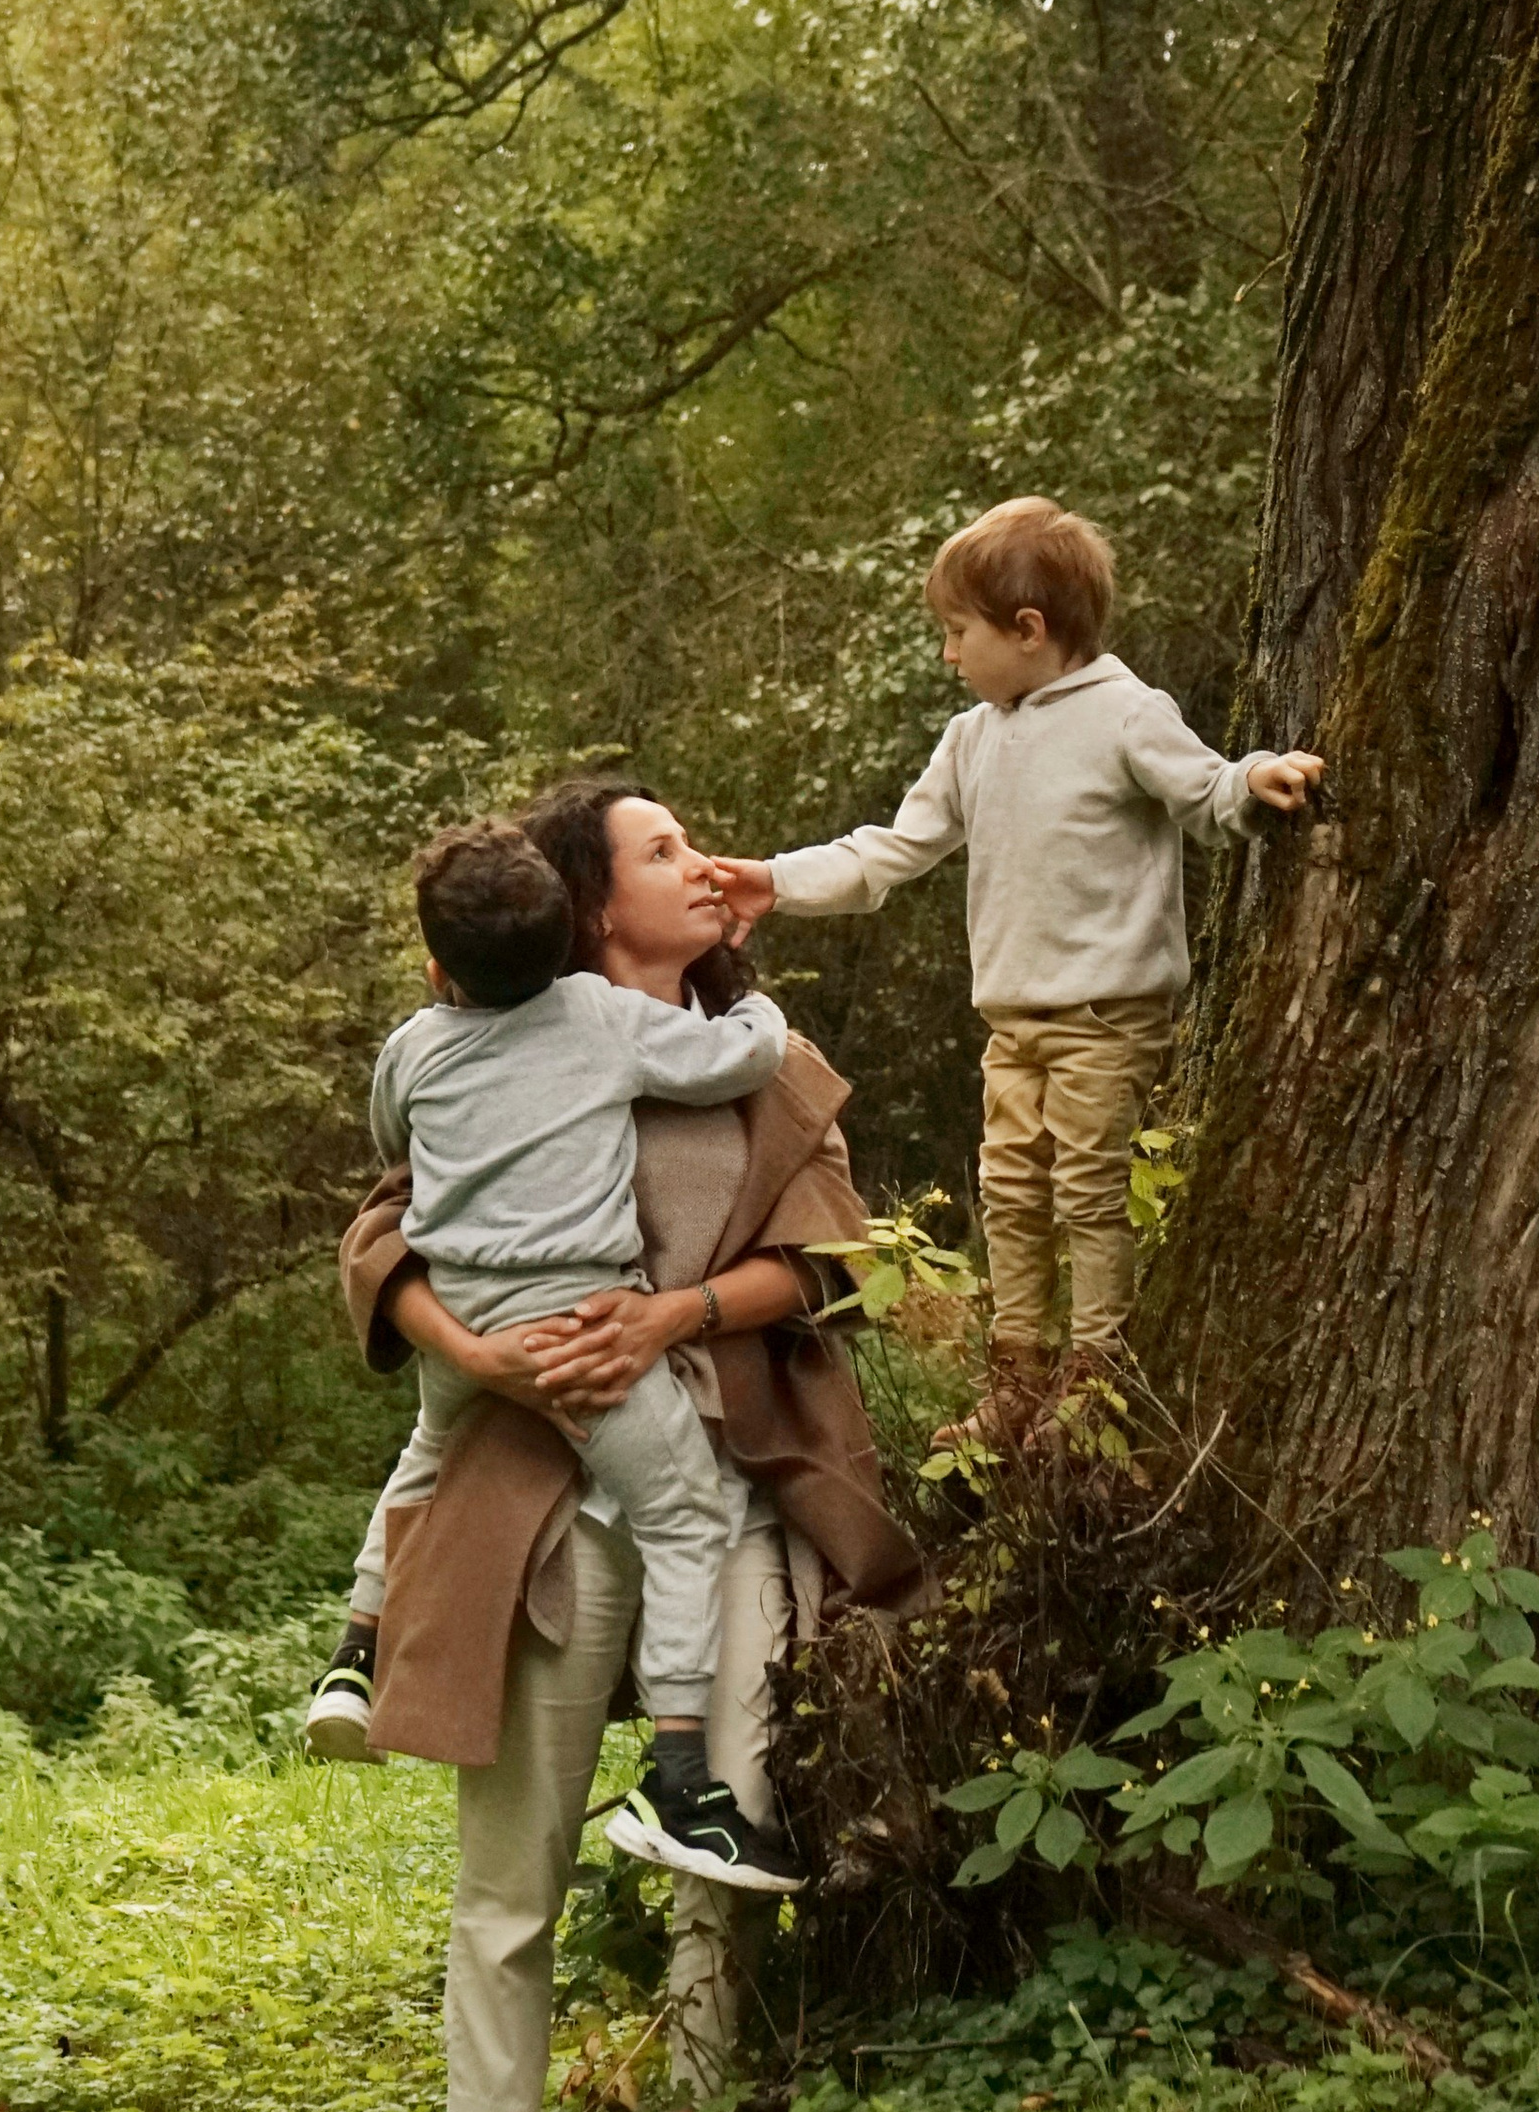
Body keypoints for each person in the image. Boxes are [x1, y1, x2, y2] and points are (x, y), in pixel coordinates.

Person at [337, 778, 927, 2112]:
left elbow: (839, 1262)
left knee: (726, 1855)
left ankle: (706, 2086)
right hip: (544, 1504)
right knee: (510, 1885)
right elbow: (383, 1239)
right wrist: (481, 1354)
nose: (706, 864)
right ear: (595, 905)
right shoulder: (487, 1043)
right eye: (665, 851)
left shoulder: (758, 1056)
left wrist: (678, 1313)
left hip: (739, 1492)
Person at [711, 496, 1324, 1447]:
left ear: (1028, 630)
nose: (950, 656)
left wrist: (1257, 777)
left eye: (960, 633)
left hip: (1106, 1015)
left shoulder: (1126, 713)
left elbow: (1206, 791)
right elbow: (887, 852)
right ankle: (1019, 1380)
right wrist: (775, 880)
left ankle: (1096, 1378)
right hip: (1015, 1025)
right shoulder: (972, 739)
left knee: (1086, 1191)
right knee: (1011, 1194)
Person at [306, 818, 801, 1892]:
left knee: (424, 1458)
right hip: (583, 1327)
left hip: (469, 1320)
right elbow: (743, 1057)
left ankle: (352, 1654)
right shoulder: (599, 1017)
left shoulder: (415, 1044)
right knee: (688, 1515)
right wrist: (758, 1005)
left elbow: (393, 1146)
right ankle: (678, 1777)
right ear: (577, 928)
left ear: (439, 968)